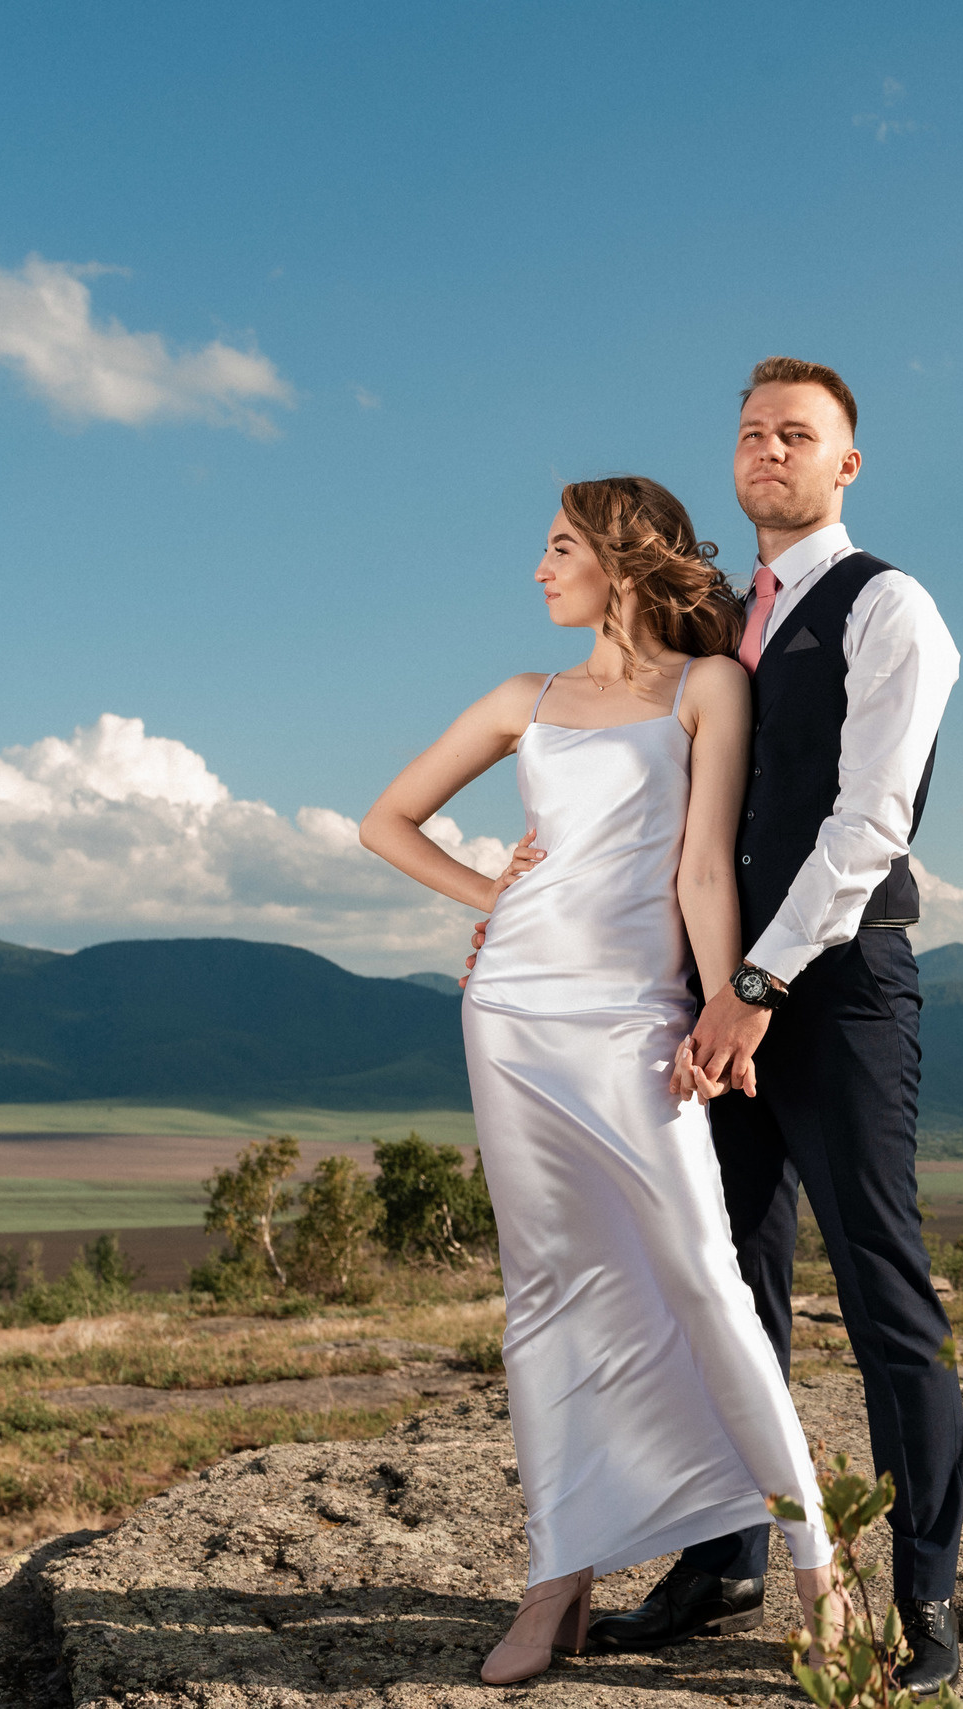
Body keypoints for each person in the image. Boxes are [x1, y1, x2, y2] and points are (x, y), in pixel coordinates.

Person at [484, 358, 963, 1690]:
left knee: (881, 1288)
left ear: (845, 465)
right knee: (723, 1279)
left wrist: (755, 989)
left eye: (797, 435)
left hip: (836, 991)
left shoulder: (891, 608)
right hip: (700, 998)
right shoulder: (714, 632)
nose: (768, 451)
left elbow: (872, 822)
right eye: (751, 433)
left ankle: (927, 1594)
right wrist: (530, 913)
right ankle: (726, 1555)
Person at [361, 476, 835, 1686]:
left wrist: (729, 1010)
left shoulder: (705, 685)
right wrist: (492, 898)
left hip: (634, 1017)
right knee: (547, 1296)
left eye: (558, 545)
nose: (538, 568)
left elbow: (700, 875)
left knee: (705, 1280)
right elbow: (388, 821)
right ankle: (556, 1580)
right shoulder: (526, 696)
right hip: (511, 1016)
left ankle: (818, 1569)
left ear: (624, 558)